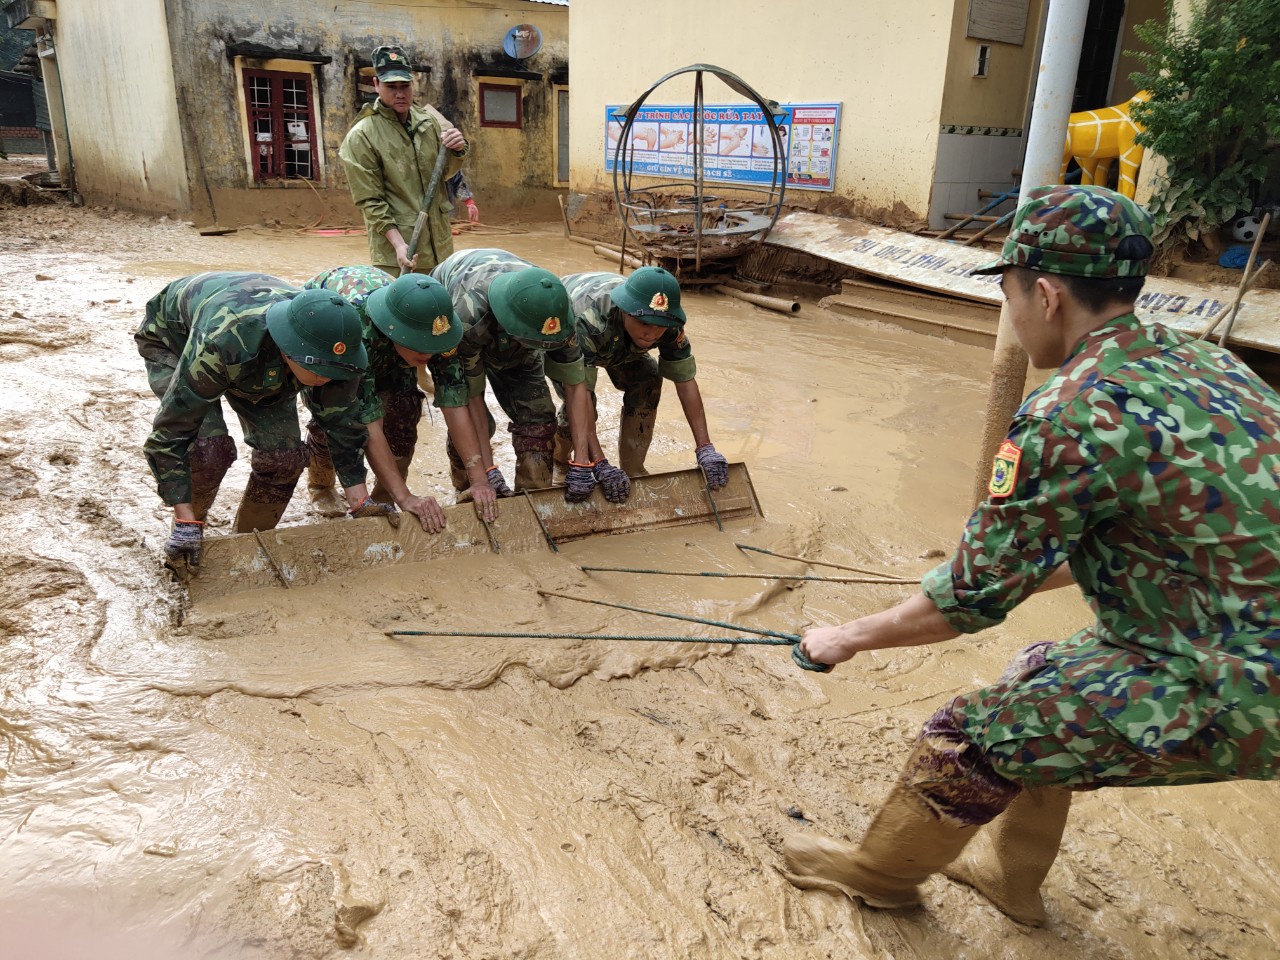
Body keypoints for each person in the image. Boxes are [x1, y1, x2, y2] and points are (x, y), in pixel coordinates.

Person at [784, 185, 1280, 927]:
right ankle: (1013, 881)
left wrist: (843, 638)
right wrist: (1000, 578)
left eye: (1009, 296)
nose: (1010, 314)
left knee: (971, 737)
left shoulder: (1070, 413)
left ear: (1046, 296)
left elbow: (968, 602)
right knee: (1039, 675)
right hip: (1219, 636)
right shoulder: (1213, 365)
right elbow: (1133, 537)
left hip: (1231, 681)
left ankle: (880, 875)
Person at [135, 273, 398, 578]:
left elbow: (342, 423)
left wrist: (360, 500)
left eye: (332, 371)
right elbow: (170, 434)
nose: (326, 378)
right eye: (319, 370)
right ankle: (188, 533)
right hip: (177, 339)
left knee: (284, 460)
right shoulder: (225, 340)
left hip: (268, 357)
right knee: (209, 451)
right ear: (290, 349)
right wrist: (184, 520)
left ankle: (246, 546)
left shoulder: (338, 354)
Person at [303, 266, 499, 530]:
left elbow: (454, 400)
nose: (428, 354)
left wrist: (479, 479)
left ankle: (384, 496)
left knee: (404, 408)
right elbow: (367, 418)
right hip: (335, 338)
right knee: (337, 422)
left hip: (395, 344)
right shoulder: (355, 332)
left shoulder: (439, 329)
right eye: (421, 345)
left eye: (433, 346)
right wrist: (406, 496)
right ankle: (320, 483)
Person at [431, 248, 600, 500]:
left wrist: (584, 463)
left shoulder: (559, 317)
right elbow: (472, 396)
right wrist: (486, 471)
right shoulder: (468, 319)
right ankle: (467, 486)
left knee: (538, 417)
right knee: (474, 424)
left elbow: (576, 386)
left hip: (522, 325)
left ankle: (532, 499)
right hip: (464, 306)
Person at [552, 267, 729, 498]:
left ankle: (633, 469)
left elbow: (685, 379)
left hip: (618, 341)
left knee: (649, 378)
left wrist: (705, 448)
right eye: (644, 323)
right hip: (567, 334)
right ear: (626, 310)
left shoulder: (669, 321)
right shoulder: (588, 320)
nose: (651, 333)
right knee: (579, 408)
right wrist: (598, 464)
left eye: (659, 325)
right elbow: (580, 394)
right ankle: (560, 461)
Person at [340, 44, 470, 277]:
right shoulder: (362, 135)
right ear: (376, 85)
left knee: (440, 311)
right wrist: (399, 245)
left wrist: (458, 148)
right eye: (391, 87)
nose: (400, 93)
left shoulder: (430, 120)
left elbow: (444, 174)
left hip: (441, 248)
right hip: (398, 252)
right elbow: (371, 202)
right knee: (403, 310)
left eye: (405, 86)